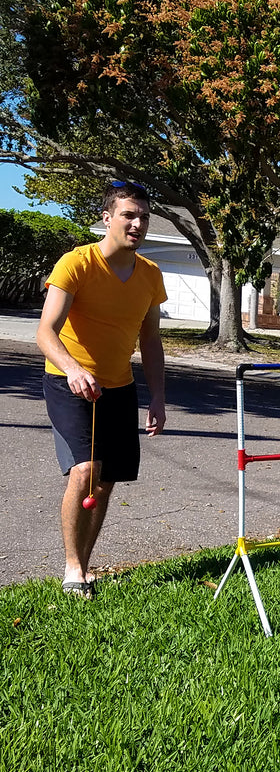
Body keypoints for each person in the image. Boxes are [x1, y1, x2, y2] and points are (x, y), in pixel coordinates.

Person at [36, 181, 168, 595]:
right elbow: (45, 332)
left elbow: (150, 340)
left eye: (143, 216)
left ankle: (86, 564)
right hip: (68, 382)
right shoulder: (77, 263)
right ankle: (73, 570)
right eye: (129, 215)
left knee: (106, 479)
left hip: (119, 387)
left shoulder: (150, 275)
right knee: (85, 470)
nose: (138, 223)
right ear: (107, 218)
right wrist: (74, 369)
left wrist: (158, 397)